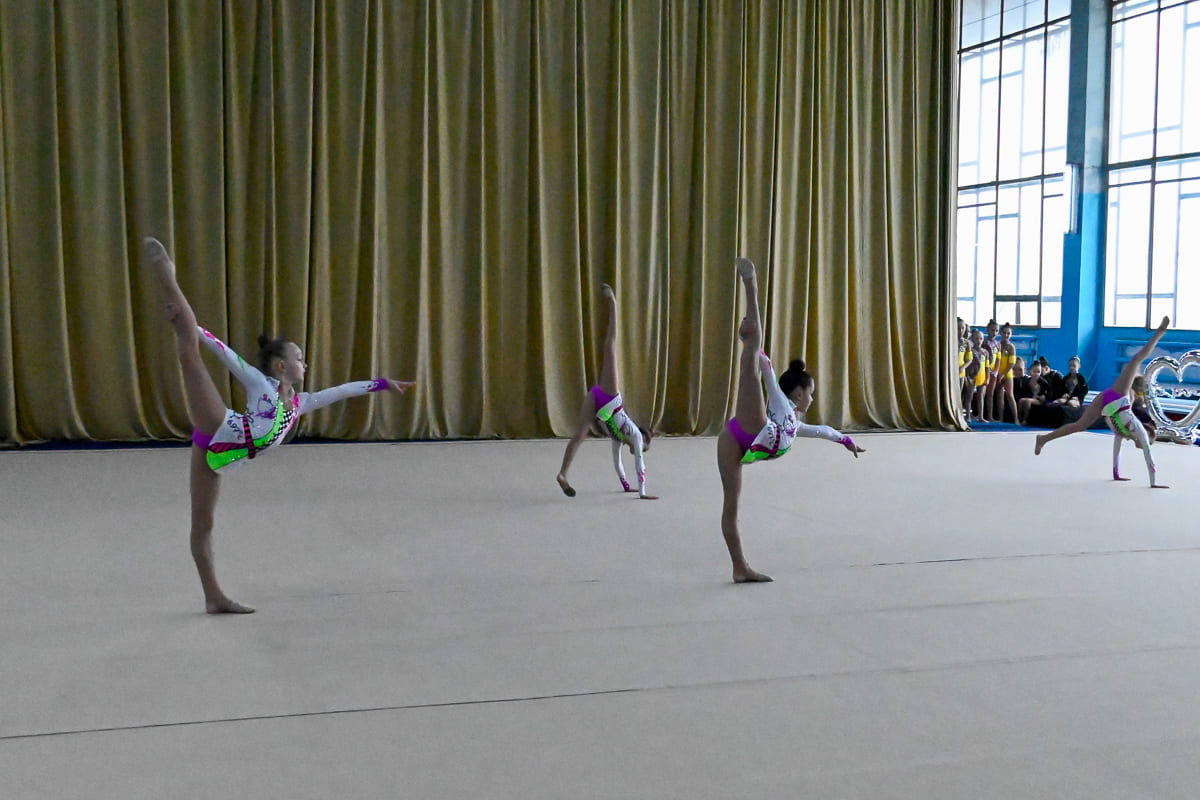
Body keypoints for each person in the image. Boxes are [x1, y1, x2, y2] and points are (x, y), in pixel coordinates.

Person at [144, 237, 416, 613]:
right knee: (190, 353)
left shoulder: (300, 404)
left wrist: (384, 384)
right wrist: (196, 327)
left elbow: (342, 391)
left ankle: (213, 597)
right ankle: (169, 279)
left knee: (204, 524)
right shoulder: (260, 383)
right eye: (299, 358)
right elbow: (225, 353)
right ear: (281, 366)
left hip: (222, 457)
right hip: (220, 426)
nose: (305, 363)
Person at [716, 258, 864, 583]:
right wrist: (750, 341)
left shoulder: (795, 425)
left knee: (732, 509)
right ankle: (751, 285)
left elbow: (824, 431)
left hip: (738, 440)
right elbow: (766, 365)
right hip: (752, 428)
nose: (812, 399)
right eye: (811, 393)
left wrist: (848, 442)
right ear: (798, 393)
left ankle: (740, 568)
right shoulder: (780, 402)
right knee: (752, 358)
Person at [1034, 316, 1171, 488]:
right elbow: (1149, 456)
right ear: (1148, 436)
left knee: (1079, 426)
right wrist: (1154, 483)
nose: (1146, 445)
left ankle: (1044, 439)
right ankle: (1160, 332)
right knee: (1136, 359)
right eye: (1149, 442)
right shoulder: (1140, 432)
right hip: (1118, 397)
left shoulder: (1126, 434)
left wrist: (1116, 474)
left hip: (1108, 403)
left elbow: (1116, 450)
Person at [556, 284, 657, 500]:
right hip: (610, 398)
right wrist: (642, 492)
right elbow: (639, 463)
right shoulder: (636, 436)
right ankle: (613, 303)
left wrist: (626, 485)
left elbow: (617, 462)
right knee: (610, 347)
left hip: (598, 401)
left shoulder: (618, 438)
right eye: (645, 448)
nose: (641, 450)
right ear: (645, 440)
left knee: (579, 435)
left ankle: (562, 474)